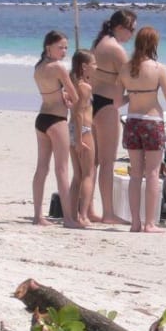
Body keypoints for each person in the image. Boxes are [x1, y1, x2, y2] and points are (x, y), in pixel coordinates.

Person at [118, 27, 166, 233]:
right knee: (153, 173)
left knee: (135, 174)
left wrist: (134, 94)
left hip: (132, 122)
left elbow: (117, 100)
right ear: (154, 44)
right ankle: (150, 223)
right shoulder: (158, 68)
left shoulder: (125, 68)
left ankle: (135, 222)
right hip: (152, 122)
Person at [90, 9, 137, 224]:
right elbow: (132, 81)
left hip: (93, 102)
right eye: (131, 29)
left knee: (92, 162)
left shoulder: (100, 43)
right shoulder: (116, 50)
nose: (132, 35)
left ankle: (88, 209)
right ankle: (108, 213)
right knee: (107, 161)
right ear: (120, 27)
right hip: (107, 106)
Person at [32, 30, 80, 228]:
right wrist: (70, 98)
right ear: (48, 47)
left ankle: (37, 216)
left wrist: (63, 96)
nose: (64, 51)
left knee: (42, 167)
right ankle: (68, 218)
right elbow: (75, 96)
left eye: (66, 47)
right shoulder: (59, 67)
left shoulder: (38, 67)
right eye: (60, 47)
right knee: (62, 169)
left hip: (42, 118)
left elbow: (52, 92)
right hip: (57, 119)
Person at [68, 50, 97, 228]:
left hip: (72, 129)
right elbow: (79, 113)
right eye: (94, 64)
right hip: (82, 130)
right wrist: (79, 140)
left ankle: (72, 215)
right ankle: (83, 215)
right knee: (88, 174)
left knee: (77, 176)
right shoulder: (84, 87)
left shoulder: (73, 83)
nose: (96, 67)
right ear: (84, 66)